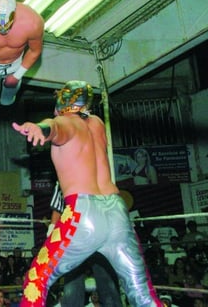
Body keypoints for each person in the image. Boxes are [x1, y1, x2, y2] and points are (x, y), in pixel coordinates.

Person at [11, 80, 163, 307]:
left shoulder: (66, 122)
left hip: (84, 213)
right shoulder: (97, 124)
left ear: (63, 100)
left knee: (37, 280)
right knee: (142, 294)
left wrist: (40, 128)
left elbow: (55, 127)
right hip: (118, 212)